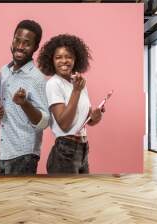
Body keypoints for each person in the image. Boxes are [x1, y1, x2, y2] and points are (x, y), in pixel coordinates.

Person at [0, 20, 49, 175]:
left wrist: (25, 103)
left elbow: (44, 122)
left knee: (19, 199)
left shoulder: (37, 78)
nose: (20, 46)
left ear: (35, 47)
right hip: (2, 152)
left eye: (27, 43)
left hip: (24, 155)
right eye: (17, 40)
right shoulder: (3, 72)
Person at [37, 34, 105, 174]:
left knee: (81, 193)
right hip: (65, 151)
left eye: (68, 56)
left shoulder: (79, 83)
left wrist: (96, 115)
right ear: (51, 60)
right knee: (66, 195)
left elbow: (88, 121)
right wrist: (76, 91)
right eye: (58, 57)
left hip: (83, 148)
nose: (64, 61)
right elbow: (64, 123)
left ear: (75, 59)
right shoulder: (53, 84)